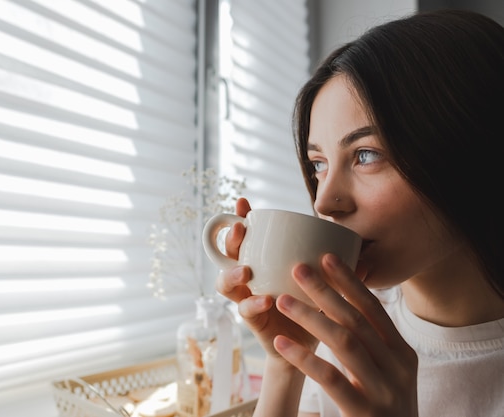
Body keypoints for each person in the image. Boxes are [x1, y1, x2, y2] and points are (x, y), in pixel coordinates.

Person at [216, 9, 504, 417]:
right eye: (318, 164)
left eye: (365, 155)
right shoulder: (341, 333)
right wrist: (286, 363)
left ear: (469, 152)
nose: (324, 201)